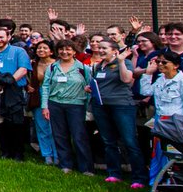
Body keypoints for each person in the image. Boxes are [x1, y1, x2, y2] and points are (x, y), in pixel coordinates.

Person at [89, 40, 148, 187]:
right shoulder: (98, 66)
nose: (101, 51)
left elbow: (127, 79)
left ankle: (138, 177)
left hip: (121, 106)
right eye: (99, 48)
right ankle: (114, 173)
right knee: (109, 142)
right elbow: (99, 83)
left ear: (114, 50)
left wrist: (121, 61)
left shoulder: (125, 62)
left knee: (129, 141)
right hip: (101, 106)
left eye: (104, 48)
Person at [41, 40, 93, 175]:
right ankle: (65, 164)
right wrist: (44, 106)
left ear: (75, 51)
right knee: (60, 135)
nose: (65, 52)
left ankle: (86, 167)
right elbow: (45, 87)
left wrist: (86, 105)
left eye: (68, 49)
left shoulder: (83, 69)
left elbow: (89, 88)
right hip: (55, 104)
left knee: (79, 136)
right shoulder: (52, 68)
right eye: (61, 49)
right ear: (57, 51)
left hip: (76, 105)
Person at [0, 27, 31, 160]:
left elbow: (23, 69)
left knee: (16, 123)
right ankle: (5, 151)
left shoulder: (18, 51)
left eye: (1, 37)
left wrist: (10, 80)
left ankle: (18, 153)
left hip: (13, 91)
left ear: (8, 37)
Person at [27, 40, 57, 165]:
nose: (41, 50)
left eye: (45, 48)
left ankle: (57, 155)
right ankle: (47, 155)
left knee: (54, 128)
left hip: (55, 97)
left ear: (51, 51)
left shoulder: (58, 64)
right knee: (42, 127)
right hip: (37, 97)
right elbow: (27, 79)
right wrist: (28, 86)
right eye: (39, 48)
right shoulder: (33, 64)